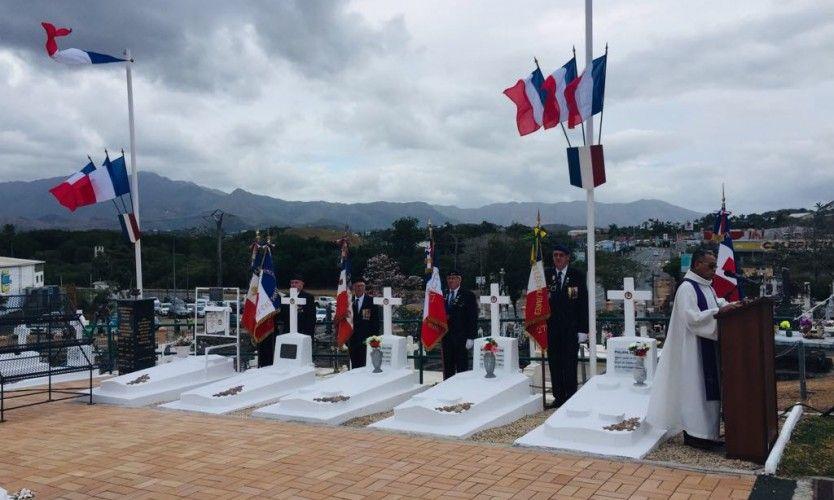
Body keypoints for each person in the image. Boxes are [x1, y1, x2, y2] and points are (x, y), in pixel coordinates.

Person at [646, 248, 740, 449]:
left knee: (707, 393)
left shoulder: (706, 287)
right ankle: (696, 435)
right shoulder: (687, 288)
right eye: (711, 266)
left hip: (706, 347)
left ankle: (708, 435)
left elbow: (715, 303)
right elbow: (692, 318)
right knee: (695, 392)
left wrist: (733, 305)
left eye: (715, 266)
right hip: (693, 351)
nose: (714, 270)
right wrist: (720, 311)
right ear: (697, 264)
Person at [546, 244, 589, 407]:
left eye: (561, 255)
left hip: (571, 328)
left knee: (570, 364)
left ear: (568, 257)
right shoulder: (547, 275)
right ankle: (558, 397)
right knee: (554, 364)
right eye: (555, 255)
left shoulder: (577, 275)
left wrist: (583, 329)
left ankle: (570, 398)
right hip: (552, 328)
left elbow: (583, 303)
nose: (558, 258)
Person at [442, 270, 479, 379]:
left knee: (462, 367)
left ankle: (462, 387)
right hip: (446, 337)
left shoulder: (468, 295)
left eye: (453, 278)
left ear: (459, 280)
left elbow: (473, 317)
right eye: (449, 278)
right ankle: (448, 387)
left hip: (462, 337)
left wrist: (471, 337)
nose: (451, 281)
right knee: (448, 367)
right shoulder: (443, 295)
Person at [347, 277, 380, 368]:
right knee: (354, 365)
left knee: (366, 366)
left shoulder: (371, 301)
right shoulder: (349, 301)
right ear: (353, 287)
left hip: (366, 340)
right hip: (352, 340)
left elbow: (375, 322)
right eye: (357, 286)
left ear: (364, 287)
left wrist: (374, 338)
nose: (359, 288)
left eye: (362, 286)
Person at [279, 273, 316, 337]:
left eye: (296, 282)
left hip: (303, 331)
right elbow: (283, 315)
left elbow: (311, 317)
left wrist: (308, 333)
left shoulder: (308, 297)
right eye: (292, 283)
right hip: (288, 331)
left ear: (302, 284)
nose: (293, 285)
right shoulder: (286, 298)